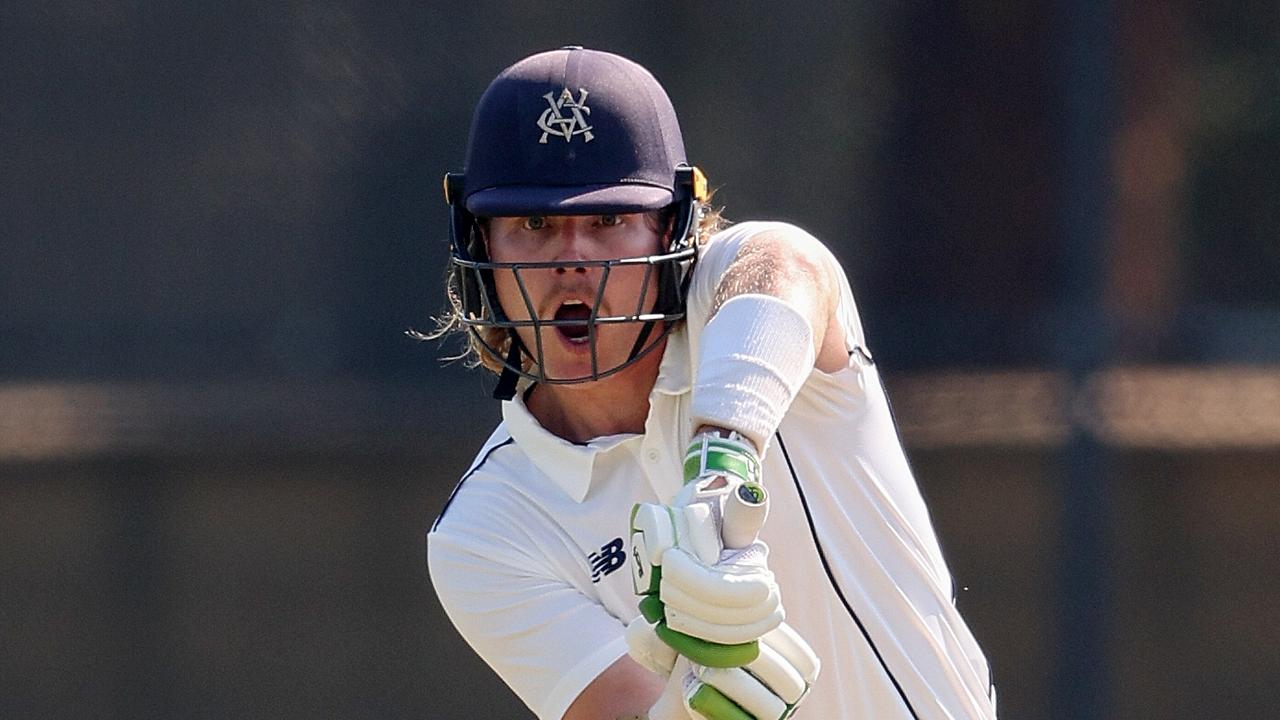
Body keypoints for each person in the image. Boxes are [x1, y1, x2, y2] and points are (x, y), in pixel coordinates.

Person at [426, 46, 997, 720]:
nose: (571, 258)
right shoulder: (486, 529)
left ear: (675, 227)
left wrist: (719, 469)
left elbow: (784, 261)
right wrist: (701, 705)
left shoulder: (736, 299)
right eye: (534, 224)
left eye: (608, 221)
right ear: (481, 247)